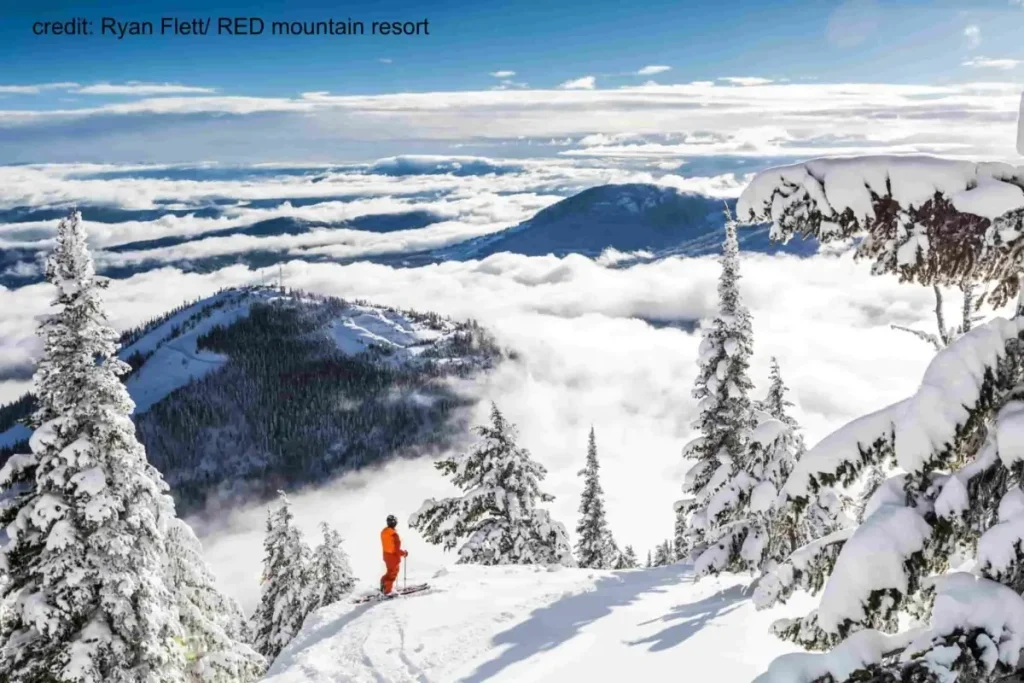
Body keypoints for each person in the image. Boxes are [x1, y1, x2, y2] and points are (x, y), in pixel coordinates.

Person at [380, 514, 408, 595]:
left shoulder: (384, 532)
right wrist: (404, 553)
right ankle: (387, 591)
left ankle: (383, 585)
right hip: (393, 557)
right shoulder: (394, 535)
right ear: (394, 523)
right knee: (392, 574)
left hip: (386, 555)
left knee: (389, 573)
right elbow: (396, 550)